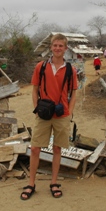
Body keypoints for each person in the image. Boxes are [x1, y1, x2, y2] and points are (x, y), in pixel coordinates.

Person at [20, 33, 78, 200]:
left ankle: (54, 182)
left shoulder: (70, 70)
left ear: (66, 48)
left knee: (57, 149)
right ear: (51, 47)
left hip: (61, 115)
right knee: (36, 148)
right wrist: (37, 108)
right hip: (43, 113)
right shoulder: (41, 67)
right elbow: (35, 90)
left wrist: (69, 112)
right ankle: (31, 183)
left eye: (61, 46)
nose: (58, 48)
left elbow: (74, 93)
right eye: (55, 45)